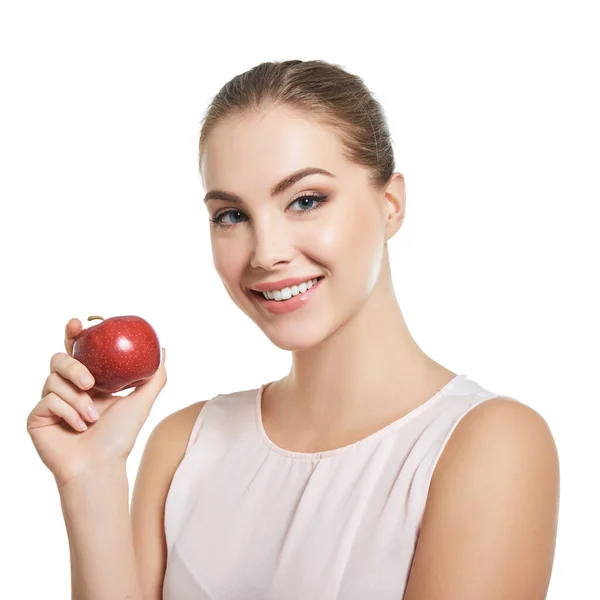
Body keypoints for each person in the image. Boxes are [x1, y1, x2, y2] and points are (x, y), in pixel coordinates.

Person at [27, 59, 560, 599]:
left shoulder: (490, 445)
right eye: (231, 215)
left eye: (305, 201)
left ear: (390, 204)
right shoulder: (184, 447)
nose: (267, 253)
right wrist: (88, 479)